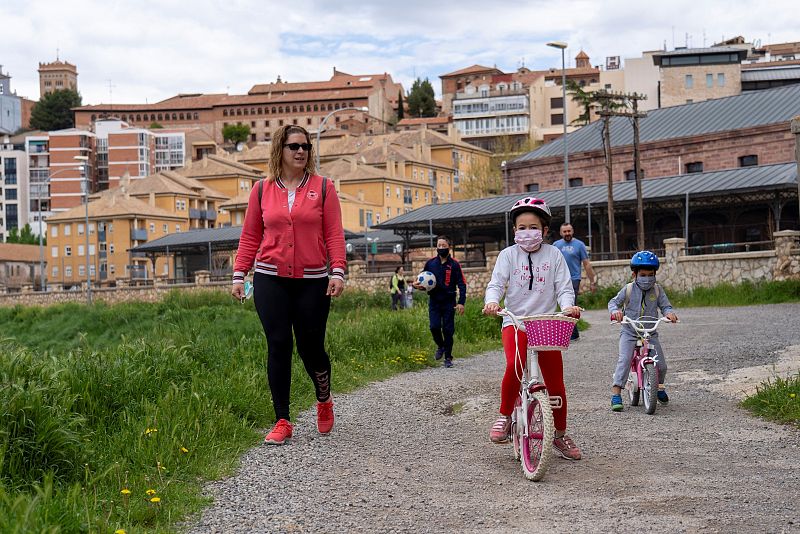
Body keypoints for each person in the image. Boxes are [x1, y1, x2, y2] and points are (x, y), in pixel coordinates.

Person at [231, 125, 346, 445]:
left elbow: (335, 234)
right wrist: (239, 274)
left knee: (311, 349)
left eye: (306, 147)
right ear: (279, 150)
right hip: (270, 278)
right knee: (279, 344)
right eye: (294, 146)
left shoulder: (324, 188)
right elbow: (251, 235)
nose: (301, 152)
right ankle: (282, 418)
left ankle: (324, 400)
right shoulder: (261, 190)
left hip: (313, 281)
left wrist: (337, 271)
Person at [483, 197, 583, 460]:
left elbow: (563, 287)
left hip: (546, 323)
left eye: (533, 227)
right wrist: (492, 302)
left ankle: (559, 434)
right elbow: (496, 284)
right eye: (522, 227)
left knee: (556, 384)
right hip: (514, 322)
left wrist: (568, 307)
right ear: (514, 230)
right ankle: (505, 416)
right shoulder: (507, 255)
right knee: (514, 368)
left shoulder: (554, 254)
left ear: (545, 230)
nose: (527, 232)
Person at [608, 251, 678, 412]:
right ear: (635, 274)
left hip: (650, 332)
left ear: (655, 275)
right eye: (643, 275)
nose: (647, 279)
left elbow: (665, 306)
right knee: (624, 360)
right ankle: (616, 393)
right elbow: (613, 303)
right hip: (630, 331)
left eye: (650, 275)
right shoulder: (628, 289)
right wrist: (615, 312)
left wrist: (669, 313)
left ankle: (658, 387)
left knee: (661, 365)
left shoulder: (658, 290)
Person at [413, 236, 466, 368]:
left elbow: (462, 284)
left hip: (449, 302)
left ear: (449, 247)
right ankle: (440, 346)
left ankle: (448, 357)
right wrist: (416, 286)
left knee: (448, 330)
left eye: (444, 245)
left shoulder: (454, 264)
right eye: (439, 245)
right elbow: (421, 281)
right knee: (434, 327)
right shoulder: (430, 264)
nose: (441, 248)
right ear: (436, 247)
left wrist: (461, 302)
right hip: (434, 301)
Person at [552, 222, 597, 341]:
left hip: (574, 278)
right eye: (565, 231)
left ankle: (570, 334)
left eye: (569, 231)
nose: (567, 233)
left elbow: (586, 264)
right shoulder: (556, 245)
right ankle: (572, 332)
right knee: (559, 306)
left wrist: (592, 282)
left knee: (570, 304)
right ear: (561, 233)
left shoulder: (579, 245)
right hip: (558, 280)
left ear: (572, 231)